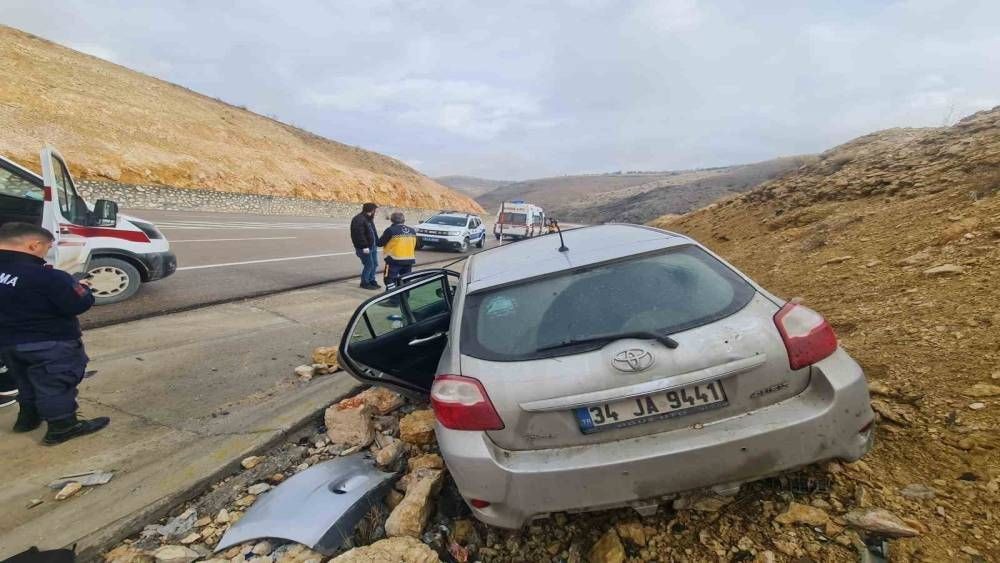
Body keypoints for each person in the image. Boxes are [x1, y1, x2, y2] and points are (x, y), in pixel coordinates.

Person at [0, 222, 109, 444]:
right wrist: (83, 288)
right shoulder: (50, 277)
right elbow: (77, 304)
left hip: (8, 343)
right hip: (49, 344)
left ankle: (27, 419)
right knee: (55, 385)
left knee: (25, 381)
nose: (46, 253)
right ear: (34, 245)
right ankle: (62, 427)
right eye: (47, 248)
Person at [378, 212, 417, 289]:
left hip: (394, 260)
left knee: (389, 280)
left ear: (392, 220)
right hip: (409, 259)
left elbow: (380, 243)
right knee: (406, 280)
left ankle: (394, 298)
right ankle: (405, 297)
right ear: (404, 220)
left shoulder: (390, 230)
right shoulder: (412, 231)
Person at [350, 202, 380, 290]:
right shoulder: (358, 219)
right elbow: (358, 235)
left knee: (375, 264)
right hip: (364, 247)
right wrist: (364, 246)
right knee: (369, 264)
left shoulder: (369, 219)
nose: (376, 213)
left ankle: (371, 280)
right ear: (371, 210)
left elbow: (373, 232)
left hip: (372, 246)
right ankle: (364, 282)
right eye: (375, 211)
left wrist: (377, 242)